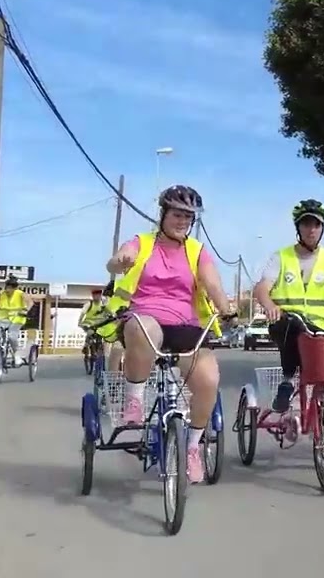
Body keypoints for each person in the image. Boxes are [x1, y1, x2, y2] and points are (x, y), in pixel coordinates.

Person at [104, 184, 236, 484]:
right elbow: (117, 259)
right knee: (143, 328)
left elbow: (213, 284)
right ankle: (134, 401)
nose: (183, 221)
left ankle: (192, 447)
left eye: (188, 217)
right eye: (177, 214)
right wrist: (121, 261)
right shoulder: (142, 243)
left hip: (186, 326)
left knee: (208, 379)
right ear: (163, 214)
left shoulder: (196, 251)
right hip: (144, 318)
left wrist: (226, 308)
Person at [252, 198, 324, 462]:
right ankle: (286, 382)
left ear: (322, 228)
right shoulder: (281, 256)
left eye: (316, 224)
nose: (311, 229)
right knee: (292, 328)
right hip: (288, 321)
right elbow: (262, 288)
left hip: (322, 327)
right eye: (306, 224)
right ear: (298, 228)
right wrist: (270, 305)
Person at [0, 275, 30, 372]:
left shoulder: (20, 294)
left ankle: (16, 355)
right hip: (2, 320)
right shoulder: (1, 294)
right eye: (7, 288)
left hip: (17, 319)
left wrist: (25, 310)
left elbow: (30, 303)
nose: (8, 290)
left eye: (11, 288)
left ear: (15, 288)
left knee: (12, 336)